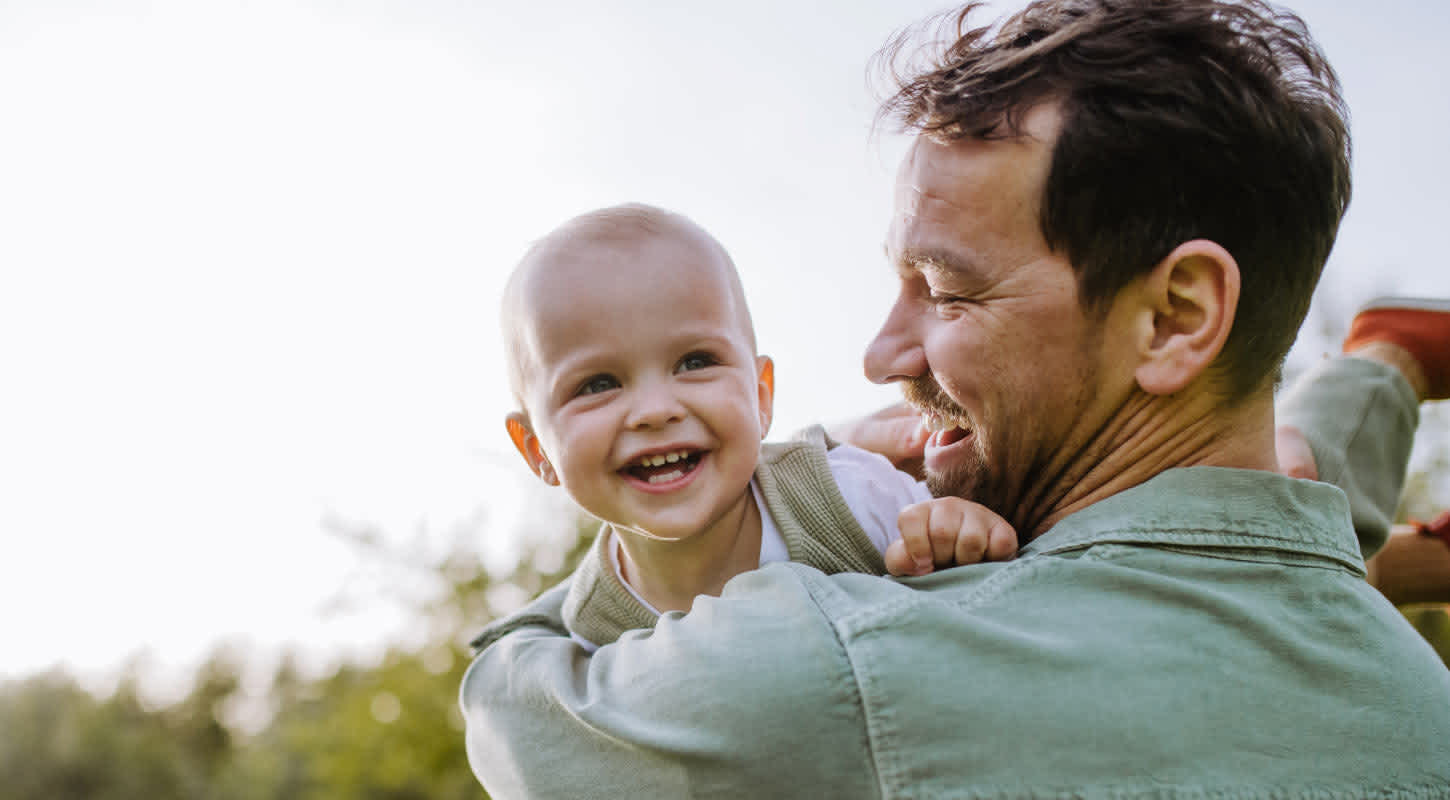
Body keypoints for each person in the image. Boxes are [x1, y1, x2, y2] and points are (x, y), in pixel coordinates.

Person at [462, 1, 1450, 796]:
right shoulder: (1421, 706)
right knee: (1297, 483)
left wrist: (782, 476)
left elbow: (517, 707)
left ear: (1173, 316)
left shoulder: (834, 662)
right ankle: (1383, 370)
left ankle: (1382, 369)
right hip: (1283, 549)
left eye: (942, 290)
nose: (880, 353)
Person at [499, 203, 1017, 647]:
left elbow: (983, 593)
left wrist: (957, 534)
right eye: (596, 385)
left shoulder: (844, 495)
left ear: (761, 395)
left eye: (695, 362)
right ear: (536, 449)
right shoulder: (593, 627)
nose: (655, 410)